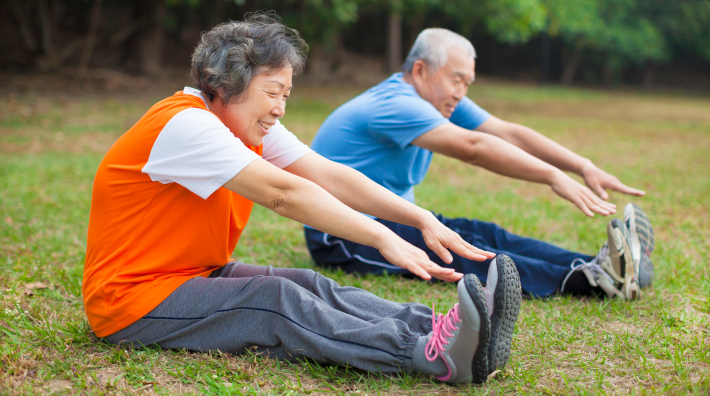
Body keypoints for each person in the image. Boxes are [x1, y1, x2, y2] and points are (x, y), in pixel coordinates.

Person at [82, 15, 523, 385]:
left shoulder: (244, 124)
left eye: (286, 95)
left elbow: (328, 174)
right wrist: (380, 236)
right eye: (272, 92)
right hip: (130, 303)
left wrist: (419, 217)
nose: (280, 108)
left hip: (188, 273)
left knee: (308, 284)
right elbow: (283, 193)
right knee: (274, 299)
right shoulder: (185, 125)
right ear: (227, 83)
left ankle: (442, 328)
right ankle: (432, 354)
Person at [306, 28, 656, 300]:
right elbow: (473, 147)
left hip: (393, 217)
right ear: (420, 70)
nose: (461, 91)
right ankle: (591, 281)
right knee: (466, 249)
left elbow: (508, 133)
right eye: (456, 79)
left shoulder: (439, 98)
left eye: (468, 83)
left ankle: (602, 265)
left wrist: (583, 165)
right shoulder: (397, 104)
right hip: (342, 234)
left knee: (487, 234)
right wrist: (551, 176)